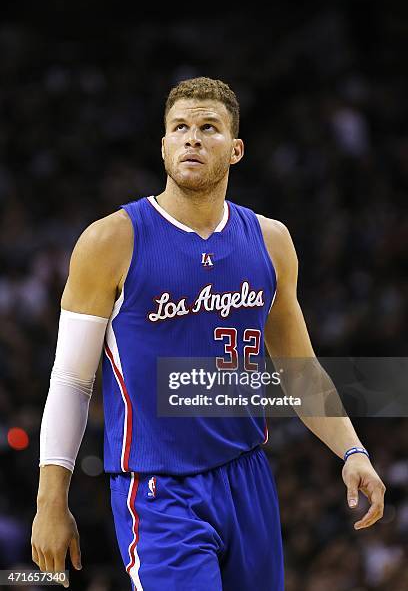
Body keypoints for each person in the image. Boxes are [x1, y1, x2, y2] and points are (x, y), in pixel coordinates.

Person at [31, 77, 386, 590]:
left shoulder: (271, 240)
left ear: (236, 149)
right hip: (159, 489)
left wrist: (354, 452)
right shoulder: (111, 240)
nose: (191, 138)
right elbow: (70, 381)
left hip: (248, 478)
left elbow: (299, 371)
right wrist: (51, 502)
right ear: (163, 145)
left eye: (208, 128)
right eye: (179, 127)